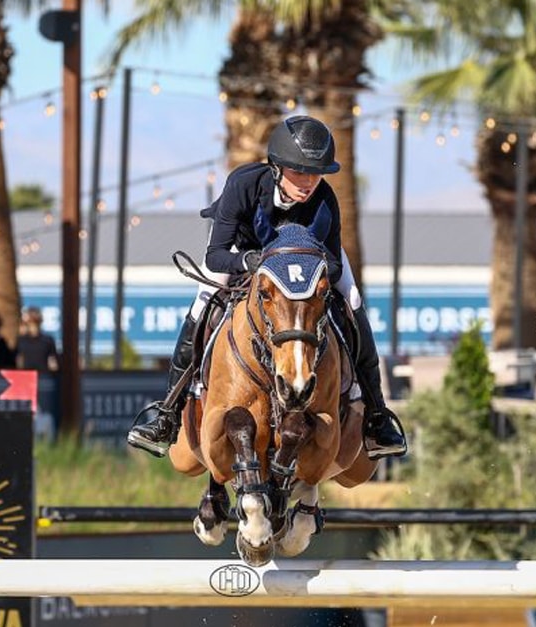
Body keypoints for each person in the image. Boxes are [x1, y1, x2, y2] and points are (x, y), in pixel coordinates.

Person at [128, 115, 407, 460]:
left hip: (305, 265)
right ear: (276, 168)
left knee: (352, 300)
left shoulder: (325, 200)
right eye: (299, 172)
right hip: (242, 255)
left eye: (315, 172)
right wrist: (248, 263)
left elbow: (333, 264)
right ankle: (167, 414)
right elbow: (216, 256)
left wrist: (305, 270)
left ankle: (377, 415)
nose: (308, 182)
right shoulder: (243, 185)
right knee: (202, 305)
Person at [16, 307, 58, 371]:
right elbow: (19, 362)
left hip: (44, 377)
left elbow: (53, 362)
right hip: (26, 377)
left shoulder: (47, 340)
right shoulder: (21, 340)